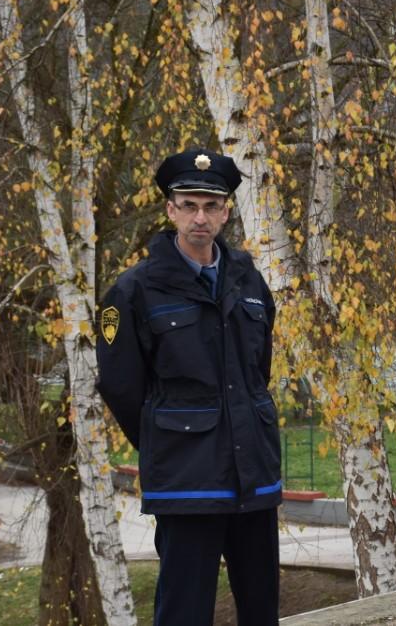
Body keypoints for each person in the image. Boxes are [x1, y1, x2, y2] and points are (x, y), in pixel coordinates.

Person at [96, 148, 280, 625]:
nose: (201, 217)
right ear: (170, 209)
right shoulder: (135, 290)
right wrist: (172, 436)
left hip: (253, 472)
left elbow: (257, 368)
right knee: (184, 610)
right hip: (187, 478)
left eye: (212, 205)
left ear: (226, 211)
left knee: (261, 606)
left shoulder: (249, 279)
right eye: (190, 205)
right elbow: (120, 386)